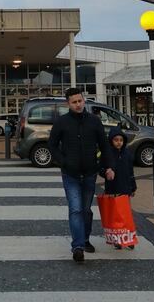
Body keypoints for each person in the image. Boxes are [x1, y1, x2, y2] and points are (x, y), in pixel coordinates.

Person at [48, 87, 113, 263]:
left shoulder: (94, 121)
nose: (78, 104)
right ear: (67, 104)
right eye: (74, 102)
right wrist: (63, 162)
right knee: (75, 209)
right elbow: (52, 145)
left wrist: (106, 166)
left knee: (86, 210)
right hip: (71, 174)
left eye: (80, 101)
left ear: (84, 100)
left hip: (90, 173)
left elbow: (104, 146)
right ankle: (77, 246)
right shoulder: (62, 122)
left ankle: (85, 239)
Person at [102, 126, 137, 250]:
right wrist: (106, 172)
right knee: (115, 215)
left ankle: (128, 238)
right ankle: (118, 238)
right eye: (116, 140)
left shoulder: (127, 154)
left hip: (125, 189)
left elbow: (131, 172)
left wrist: (133, 187)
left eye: (121, 140)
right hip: (112, 189)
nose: (118, 142)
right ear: (111, 140)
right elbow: (101, 168)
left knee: (126, 215)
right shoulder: (107, 154)